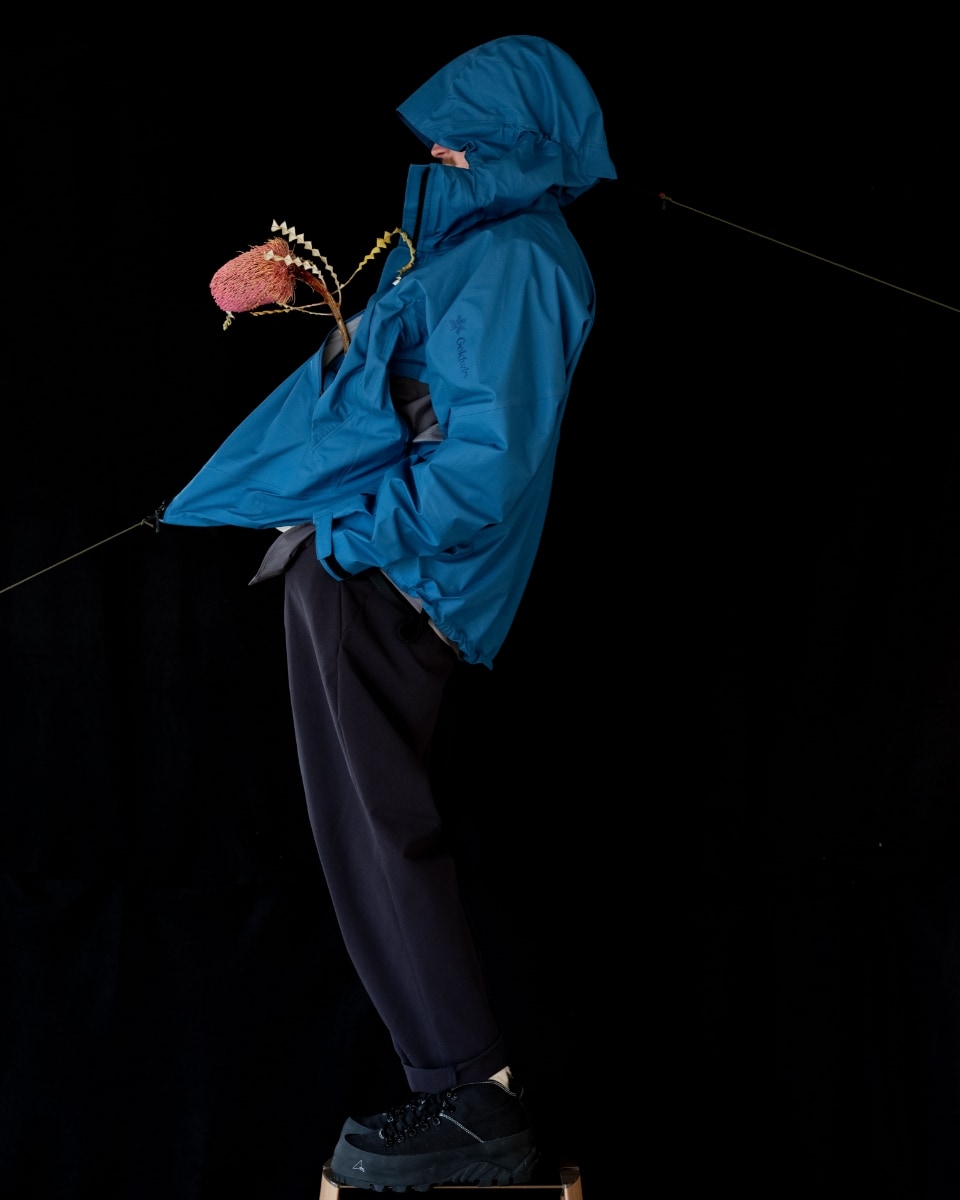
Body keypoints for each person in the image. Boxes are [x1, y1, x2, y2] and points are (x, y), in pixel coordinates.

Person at [162, 34, 615, 1192]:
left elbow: (484, 466)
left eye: (466, 137)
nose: (444, 155)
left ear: (521, 141)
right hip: (371, 571)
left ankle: (473, 1097)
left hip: (395, 579)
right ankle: (456, 1090)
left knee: (380, 834)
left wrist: (349, 542)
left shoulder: (522, 258)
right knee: (362, 841)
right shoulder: (476, 250)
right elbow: (396, 397)